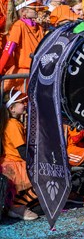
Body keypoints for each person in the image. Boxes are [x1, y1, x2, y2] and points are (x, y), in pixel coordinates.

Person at [0, 90, 39, 220]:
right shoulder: (13, 125)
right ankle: (17, 206)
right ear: (12, 108)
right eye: (21, 102)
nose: (25, 104)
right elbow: (22, 151)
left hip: (13, 161)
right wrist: (36, 163)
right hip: (16, 163)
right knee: (42, 179)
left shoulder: (12, 123)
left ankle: (15, 205)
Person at [0, 0, 47, 92]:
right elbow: (8, 50)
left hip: (37, 72)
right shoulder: (19, 25)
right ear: (23, 12)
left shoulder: (40, 27)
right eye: (34, 7)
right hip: (23, 74)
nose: (37, 9)